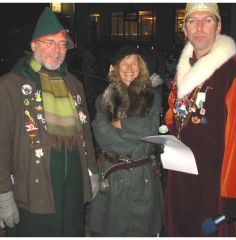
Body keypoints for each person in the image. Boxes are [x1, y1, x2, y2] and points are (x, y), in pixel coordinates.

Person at [0, 7, 99, 237]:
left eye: (62, 44)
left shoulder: (74, 84)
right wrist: (3, 193)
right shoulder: (10, 86)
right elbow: (1, 144)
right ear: (33, 45)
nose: (57, 50)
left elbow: (86, 131)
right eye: (49, 42)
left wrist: (92, 172)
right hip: (34, 191)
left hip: (73, 188)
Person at [163, 2, 236, 237]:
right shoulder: (182, 71)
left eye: (207, 20)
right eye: (192, 21)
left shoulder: (232, 74)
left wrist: (233, 200)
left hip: (214, 188)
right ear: (184, 29)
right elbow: (174, 112)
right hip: (180, 180)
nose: (199, 27)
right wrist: (168, 132)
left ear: (218, 28)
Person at [87, 45, 164, 237]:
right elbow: (101, 134)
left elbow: (151, 127)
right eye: (124, 63)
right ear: (115, 67)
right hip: (113, 176)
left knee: (141, 231)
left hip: (142, 177)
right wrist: (136, 144)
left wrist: (120, 123)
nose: (129, 68)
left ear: (141, 67)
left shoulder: (153, 97)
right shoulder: (104, 99)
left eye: (134, 63)